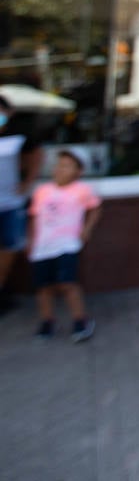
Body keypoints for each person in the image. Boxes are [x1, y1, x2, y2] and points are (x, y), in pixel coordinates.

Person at [28, 149, 101, 342]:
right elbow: (34, 217)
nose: (60, 169)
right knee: (43, 287)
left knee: (68, 284)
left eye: (67, 166)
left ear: (78, 172)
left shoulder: (82, 190)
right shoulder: (42, 191)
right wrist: (31, 241)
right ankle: (47, 321)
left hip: (67, 244)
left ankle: (80, 320)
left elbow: (95, 209)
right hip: (43, 246)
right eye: (59, 164)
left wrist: (87, 229)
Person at [0, 93, 40, 315]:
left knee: (8, 249)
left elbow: (36, 155)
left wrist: (28, 181)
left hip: (10, 205)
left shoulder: (18, 136)